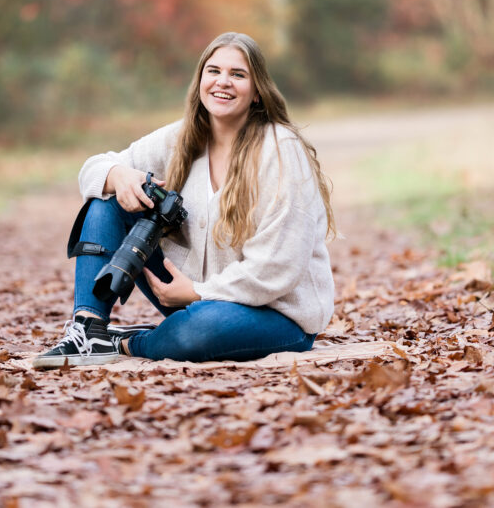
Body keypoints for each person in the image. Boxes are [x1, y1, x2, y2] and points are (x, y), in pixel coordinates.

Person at [33, 32, 336, 368]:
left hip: (277, 314)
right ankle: (89, 330)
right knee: (108, 199)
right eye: (214, 71)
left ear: (256, 93)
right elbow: (94, 168)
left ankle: (132, 341)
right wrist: (119, 176)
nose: (223, 82)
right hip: (191, 298)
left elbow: (278, 267)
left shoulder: (280, 150)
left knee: (196, 332)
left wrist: (196, 293)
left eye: (238, 74)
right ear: (200, 81)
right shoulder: (182, 138)